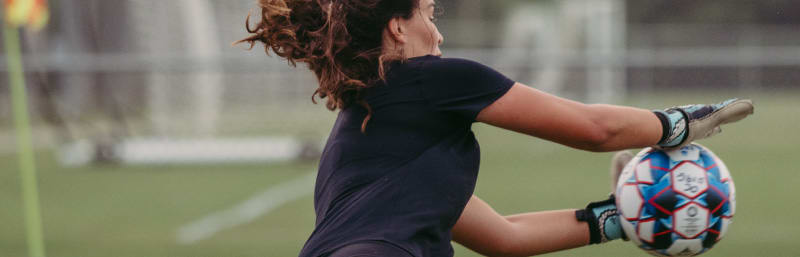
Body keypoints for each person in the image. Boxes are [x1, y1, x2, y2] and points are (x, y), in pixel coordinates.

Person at [237, 0, 755, 256]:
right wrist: (680, 123)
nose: (438, 33)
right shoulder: (432, 80)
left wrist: (617, 218)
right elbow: (592, 129)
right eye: (430, 14)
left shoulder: (380, 136)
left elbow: (503, 238)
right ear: (398, 27)